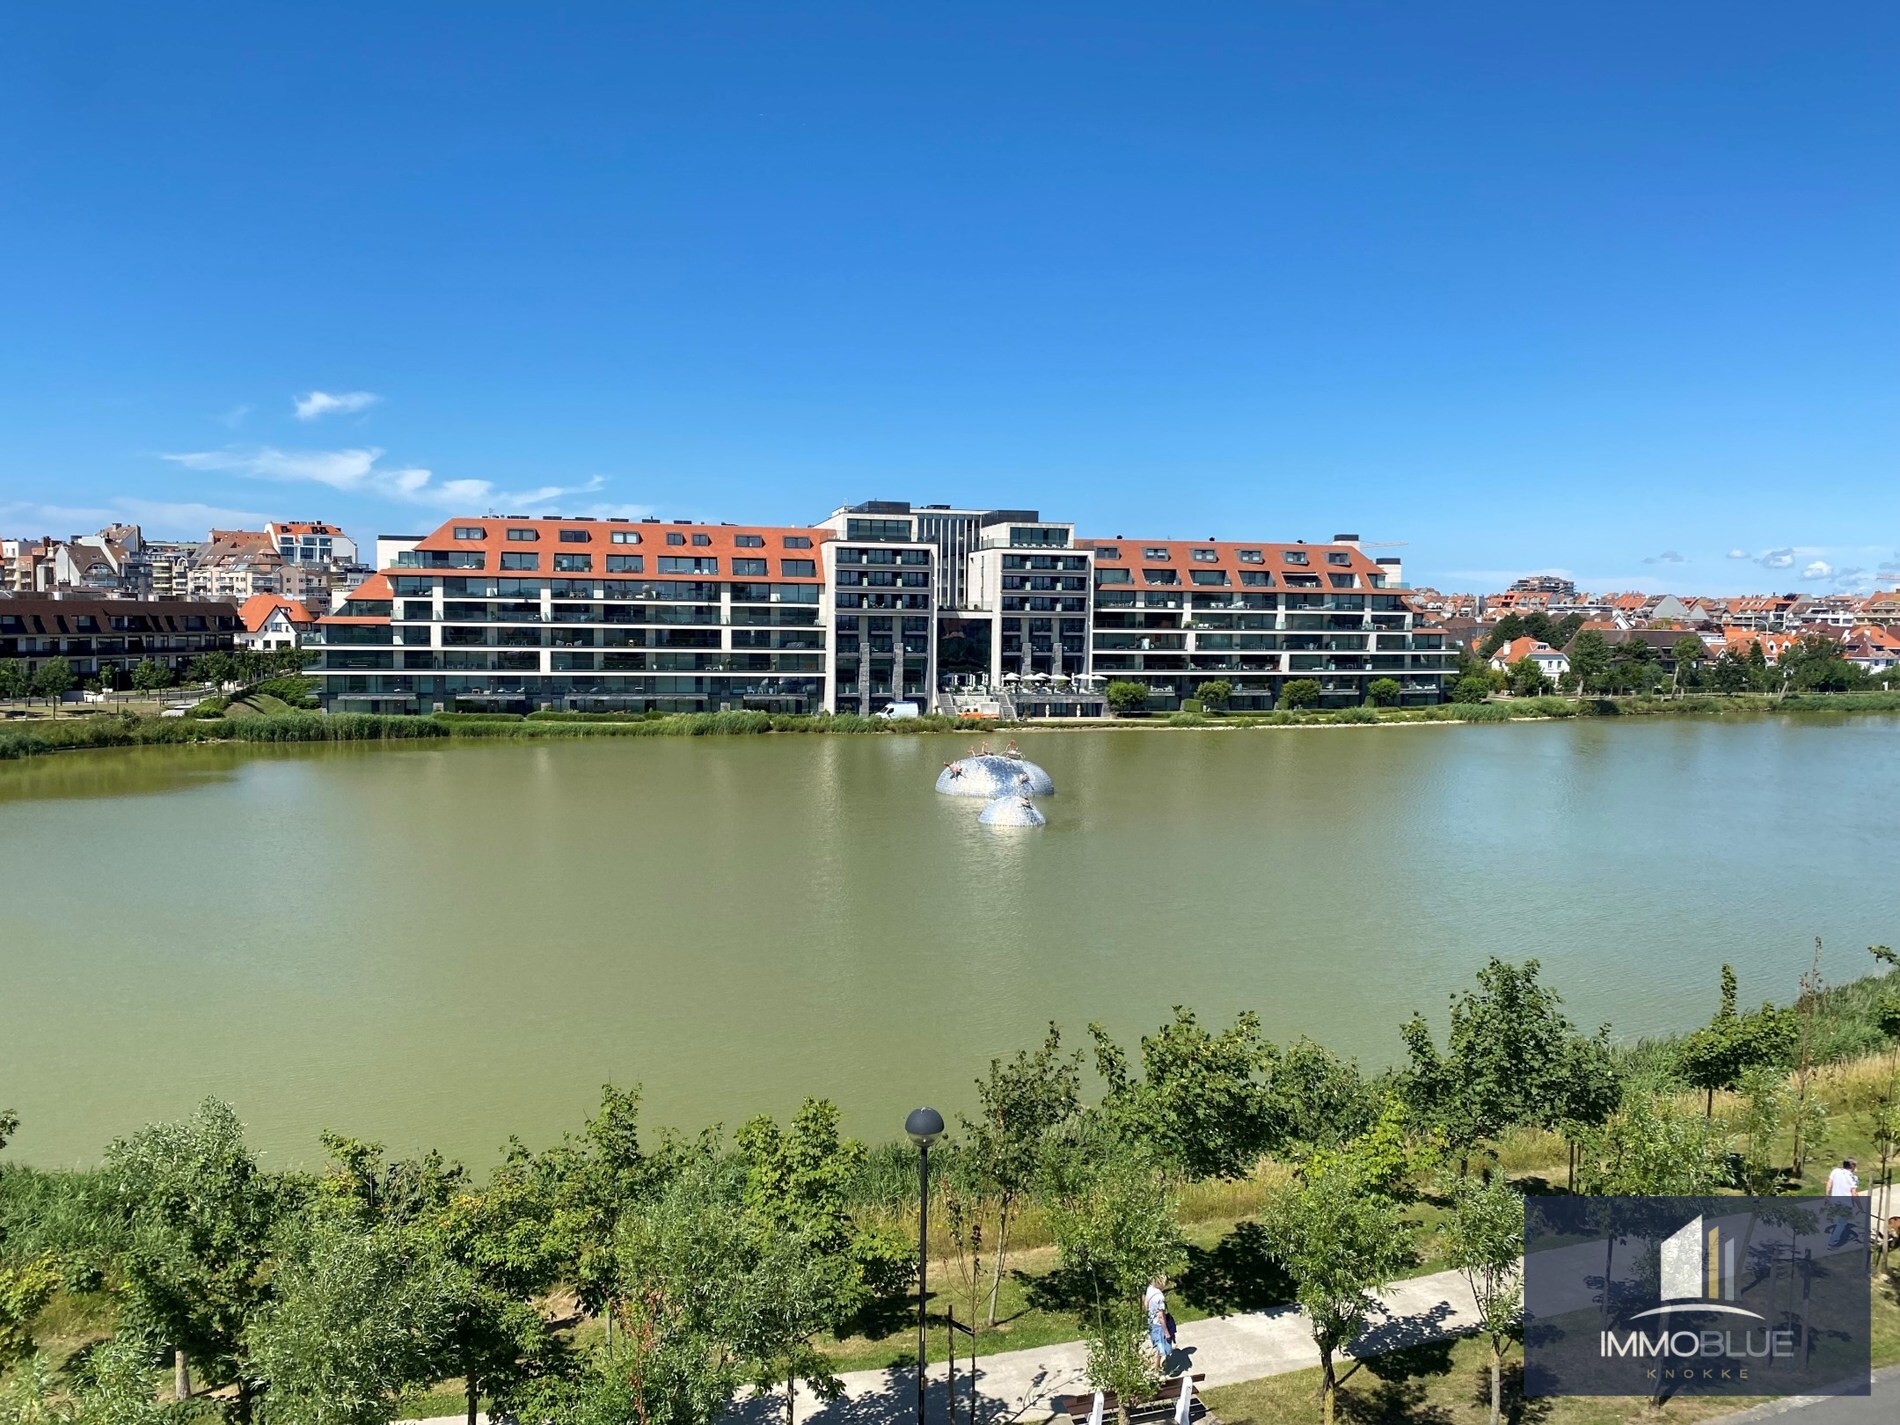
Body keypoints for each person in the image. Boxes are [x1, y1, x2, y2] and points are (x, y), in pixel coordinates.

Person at [1144, 1276, 1175, 1370]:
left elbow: (1145, 1304)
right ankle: (1155, 1369)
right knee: (1160, 1349)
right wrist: (1166, 1332)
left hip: (1151, 1321)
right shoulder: (1159, 1297)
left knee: (1156, 1344)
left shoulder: (1150, 1289)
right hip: (1158, 1325)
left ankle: (1154, 1366)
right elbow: (1161, 1316)